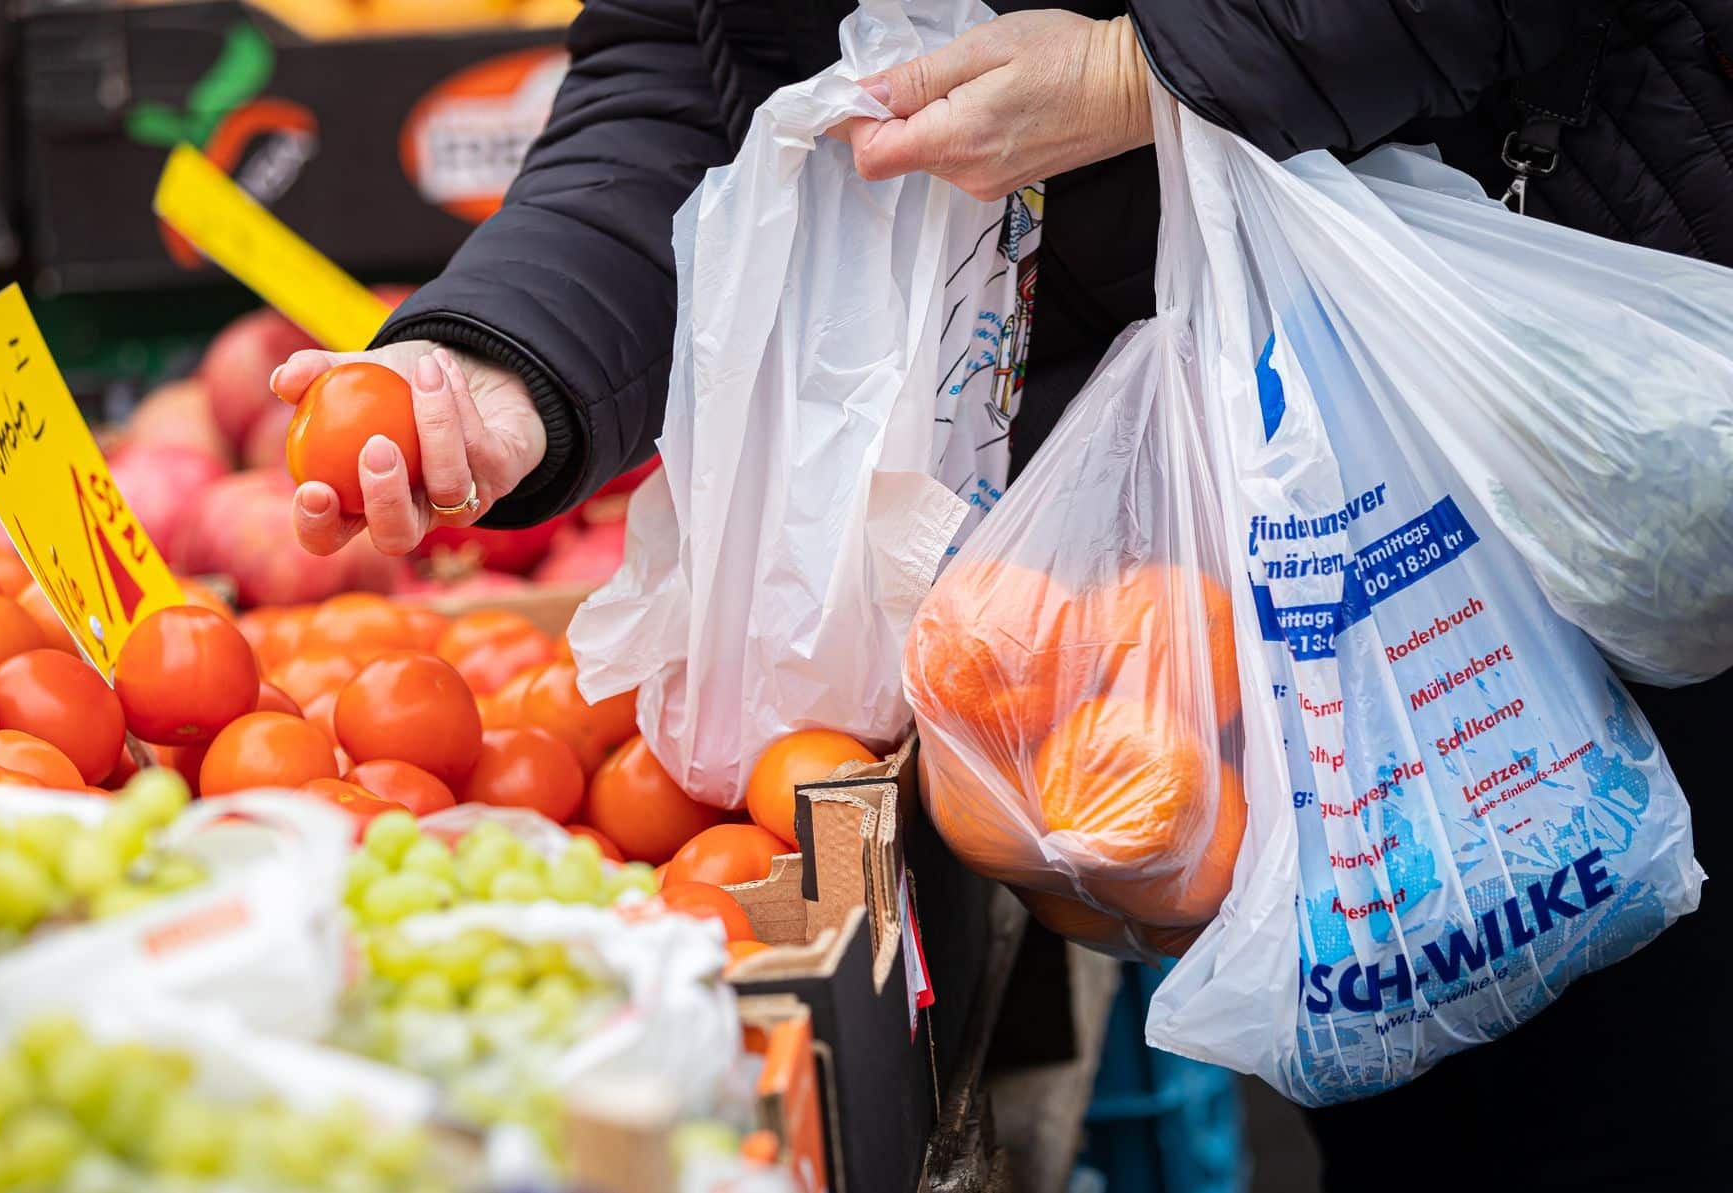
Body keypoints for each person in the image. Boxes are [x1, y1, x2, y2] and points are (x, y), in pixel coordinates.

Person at [276, 2, 1732, 1188]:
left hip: (1557, 376)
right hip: (1236, 544)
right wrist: (495, 362)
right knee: (1429, 1066)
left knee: (1641, 1065)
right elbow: (695, 61)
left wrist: (1162, 62)